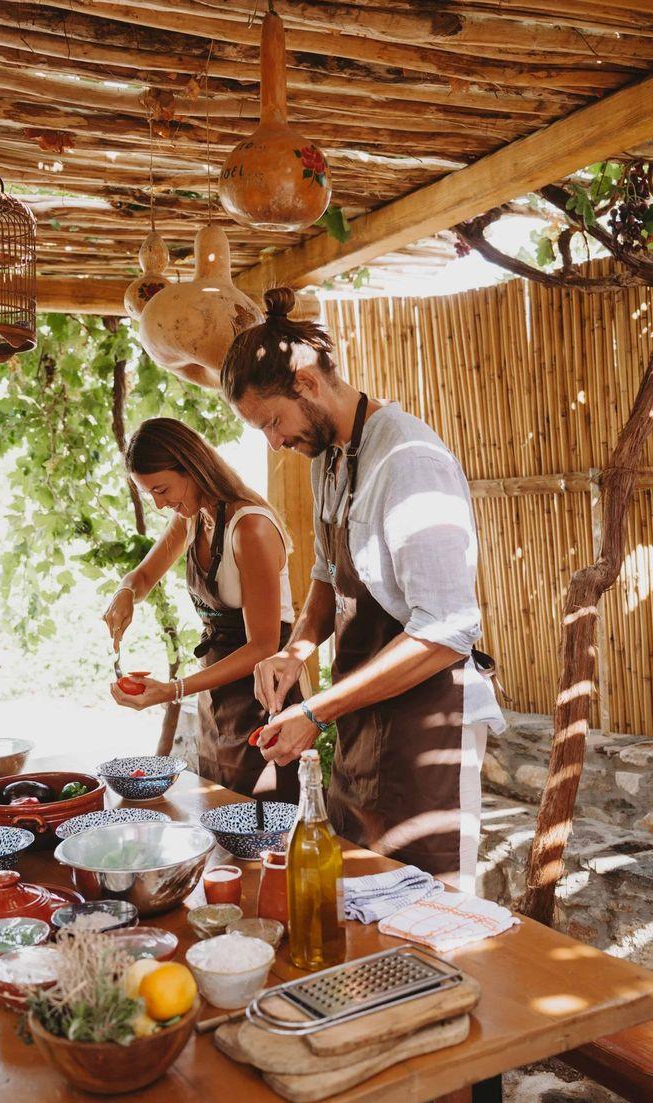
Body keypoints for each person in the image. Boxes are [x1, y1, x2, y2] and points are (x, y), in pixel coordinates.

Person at [220, 287, 505, 890]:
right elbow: (329, 573)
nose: (274, 442)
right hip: (362, 715)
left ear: (306, 383)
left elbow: (446, 631)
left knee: (424, 904)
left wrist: (316, 711)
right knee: (361, 892)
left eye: (272, 422)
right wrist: (296, 650)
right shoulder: (328, 457)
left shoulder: (408, 460)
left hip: (427, 721)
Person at [103, 417, 300, 802]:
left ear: (191, 468)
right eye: (150, 494)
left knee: (262, 819)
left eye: (162, 490)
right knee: (216, 807)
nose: (160, 504)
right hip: (217, 698)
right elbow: (143, 577)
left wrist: (172, 690)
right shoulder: (192, 518)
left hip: (266, 697)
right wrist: (125, 591)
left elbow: (263, 646)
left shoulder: (250, 528)